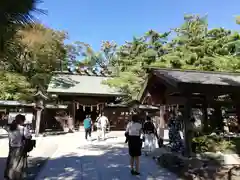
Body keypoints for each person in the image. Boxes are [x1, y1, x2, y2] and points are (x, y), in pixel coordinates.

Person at [4, 114, 32, 180]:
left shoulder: (10, 127)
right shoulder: (22, 128)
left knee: (11, 162)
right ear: (21, 121)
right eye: (23, 121)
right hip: (19, 147)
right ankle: (15, 177)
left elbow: (5, 127)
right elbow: (28, 136)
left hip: (11, 146)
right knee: (18, 164)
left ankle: (9, 175)